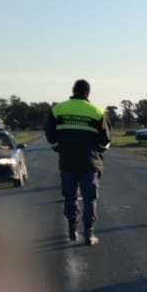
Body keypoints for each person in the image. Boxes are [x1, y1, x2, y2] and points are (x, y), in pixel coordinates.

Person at [45, 79, 111, 246]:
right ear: (88, 93)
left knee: (70, 196)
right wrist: (99, 151)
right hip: (90, 162)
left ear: (73, 90)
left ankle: (72, 229)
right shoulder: (96, 111)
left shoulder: (58, 109)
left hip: (67, 161)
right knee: (90, 199)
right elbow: (106, 139)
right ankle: (89, 233)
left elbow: (50, 134)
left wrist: (57, 148)